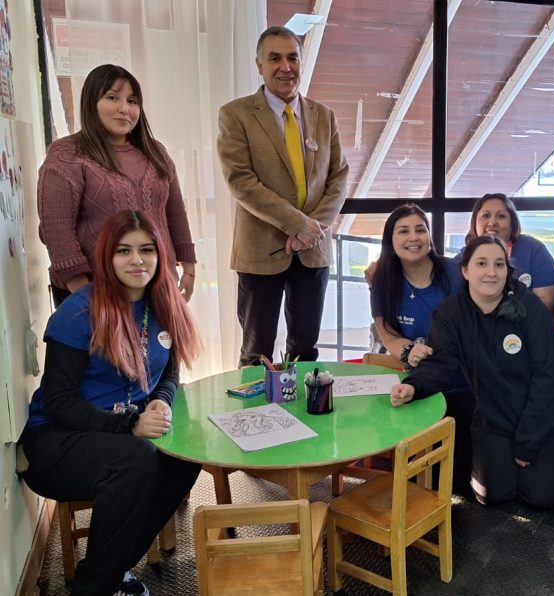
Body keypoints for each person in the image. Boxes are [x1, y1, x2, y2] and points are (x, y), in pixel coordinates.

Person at [18, 210, 203, 595]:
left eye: (147, 250)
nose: (137, 260)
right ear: (107, 256)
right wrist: (131, 426)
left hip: (116, 432)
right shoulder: (78, 313)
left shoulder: (162, 303)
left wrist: (162, 403)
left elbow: (168, 374)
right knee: (137, 458)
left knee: (186, 451)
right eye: (124, 251)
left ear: (160, 254)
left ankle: (106, 569)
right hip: (56, 440)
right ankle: (98, 586)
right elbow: (59, 402)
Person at [391, 235, 554, 509]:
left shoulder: (529, 308)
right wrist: (413, 386)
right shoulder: (451, 313)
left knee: (541, 497)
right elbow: (441, 363)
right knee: (492, 495)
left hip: (536, 418)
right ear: (465, 270)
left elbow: (550, 376)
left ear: (508, 271)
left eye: (499, 264)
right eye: (482, 263)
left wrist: (528, 442)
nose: (491, 272)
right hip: (491, 420)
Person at [218, 26, 349, 366]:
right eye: (275, 58)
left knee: (305, 352)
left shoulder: (324, 115)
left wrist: (311, 229)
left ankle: (306, 418)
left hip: (313, 251)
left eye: (292, 57)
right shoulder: (236, 115)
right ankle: (252, 420)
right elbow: (241, 181)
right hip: (261, 252)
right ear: (259, 64)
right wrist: (296, 224)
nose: (285, 67)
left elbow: (339, 177)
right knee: (256, 353)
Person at [38, 64, 197, 308]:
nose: (125, 109)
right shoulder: (67, 154)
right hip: (94, 291)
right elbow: (56, 227)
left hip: (157, 285)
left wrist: (188, 266)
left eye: (132, 101)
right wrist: (83, 293)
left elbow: (174, 212)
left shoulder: (156, 152)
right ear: (92, 102)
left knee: (160, 347)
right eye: (112, 98)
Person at [370, 203, 456, 369]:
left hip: (461, 372)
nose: (414, 237)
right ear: (391, 242)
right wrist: (410, 352)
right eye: (403, 231)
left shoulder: (457, 273)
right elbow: (389, 336)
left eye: (420, 230)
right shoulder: (381, 281)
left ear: (429, 238)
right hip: (418, 372)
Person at [457, 192, 554, 311]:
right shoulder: (463, 258)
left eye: (501, 216)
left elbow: (545, 303)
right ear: (475, 222)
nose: (492, 222)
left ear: (512, 223)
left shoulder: (534, 250)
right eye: (485, 216)